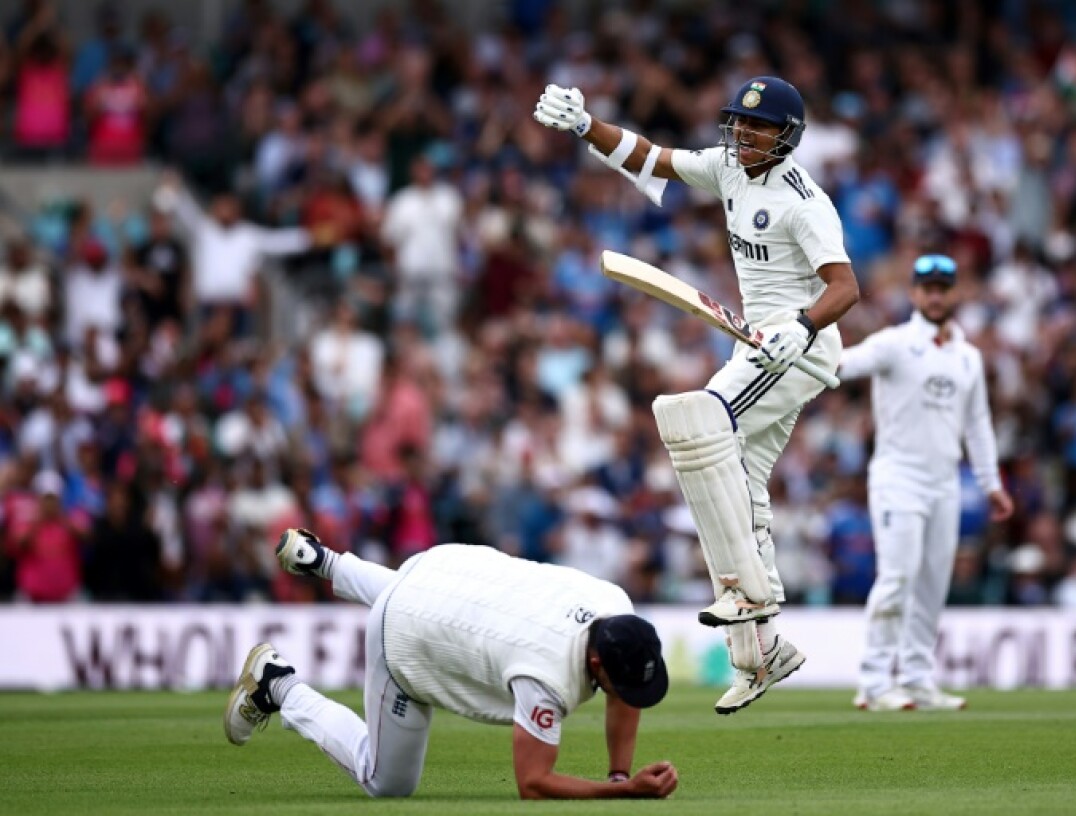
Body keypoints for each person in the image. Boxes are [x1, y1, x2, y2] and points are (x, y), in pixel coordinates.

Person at [534, 77, 860, 713]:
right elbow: (653, 158)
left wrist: (801, 327)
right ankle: (762, 651)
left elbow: (846, 287)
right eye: (740, 122)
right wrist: (585, 126)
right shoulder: (728, 168)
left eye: (759, 126)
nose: (744, 133)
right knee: (741, 480)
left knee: (698, 422)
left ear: (788, 136)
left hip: (797, 347)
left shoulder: (805, 202)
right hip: (756, 345)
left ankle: (746, 589)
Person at [224, 529, 678, 801]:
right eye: (619, 683)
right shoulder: (546, 676)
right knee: (387, 784)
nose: (627, 696)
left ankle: (321, 560)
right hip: (403, 634)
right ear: (596, 661)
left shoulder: (614, 605)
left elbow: (622, 685)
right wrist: (624, 791)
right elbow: (534, 783)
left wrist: (620, 771)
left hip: (447, 565)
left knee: (420, 592)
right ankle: (278, 685)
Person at [837, 254, 1014, 711]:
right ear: (914, 293)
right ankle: (874, 682)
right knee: (897, 578)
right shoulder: (894, 344)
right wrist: (805, 344)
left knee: (933, 585)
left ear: (956, 293)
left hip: (945, 483)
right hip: (898, 478)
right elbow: (842, 365)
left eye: (943, 288)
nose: (935, 296)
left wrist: (990, 483)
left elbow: (977, 424)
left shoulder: (967, 357)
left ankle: (916, 678)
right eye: (928, 288)